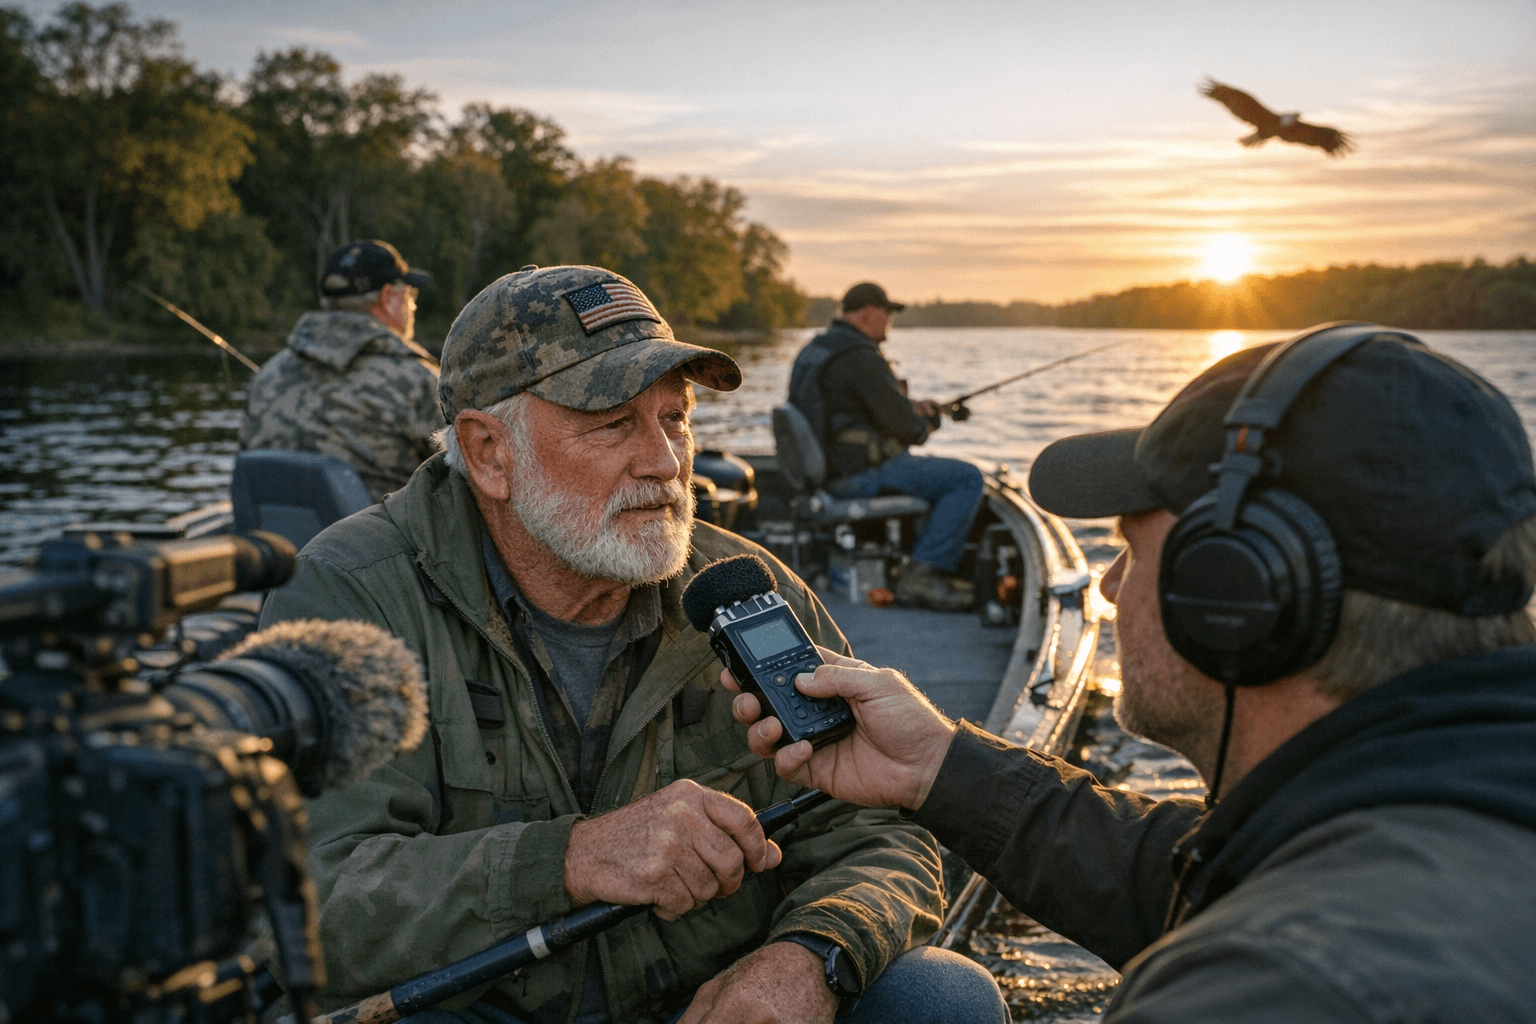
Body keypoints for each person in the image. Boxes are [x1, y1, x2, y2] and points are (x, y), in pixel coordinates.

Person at [260, 265, 1006, 1024]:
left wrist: (806, 960)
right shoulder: (350, 595)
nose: (665, 462)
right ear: (489, 452)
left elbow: (876, 833)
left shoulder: (745, 590)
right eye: (614, 424)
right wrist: (572, 859)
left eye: (675, 420)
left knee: (944, 998)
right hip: (478, 1007)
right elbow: (301, 894)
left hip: (703, 1002)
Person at [730, 323, 1536, 1021]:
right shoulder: (1445, 811)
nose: (1108, 587)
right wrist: (939, 765)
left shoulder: (1279, 988)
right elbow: (1194, 871)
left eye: (1133, 549)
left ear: (1234, 596)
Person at [787, 282, 983, 611]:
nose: (890, 321)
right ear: (867, 315)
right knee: (966, 478)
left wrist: (912, 407)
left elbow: (845, 410)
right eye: (887, 314)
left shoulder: (818, 349)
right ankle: (921, 575)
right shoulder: (861, 356)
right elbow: (910, 431)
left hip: (826, 471)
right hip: (856, 475)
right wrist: (929, 420)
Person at [242, 239, 444, 502]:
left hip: (283, 538)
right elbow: (472, 476)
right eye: (408, 293)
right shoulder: (418, 380)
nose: (411, 304)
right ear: (387, 297)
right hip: (376, 542)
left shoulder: (267, 376)